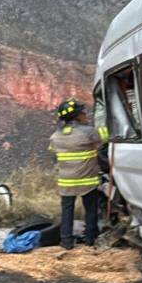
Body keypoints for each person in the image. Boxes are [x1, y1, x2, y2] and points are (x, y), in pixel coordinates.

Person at [49, 98, 108, 249]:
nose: (84, 113)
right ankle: (90, 240)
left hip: (66, 181)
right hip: (87, 180)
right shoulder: (88, 132)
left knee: (67, 211)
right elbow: (103, 141)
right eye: (82, 112)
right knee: (91, 210)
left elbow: (53, 155)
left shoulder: (55, 136)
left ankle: (66, 242)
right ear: (76, 115)